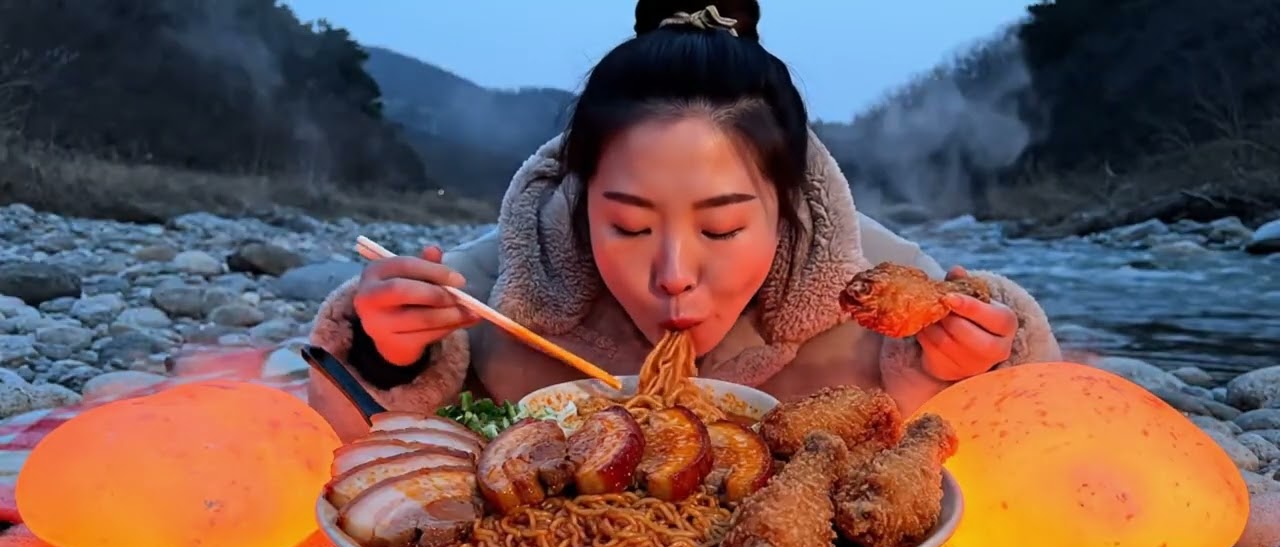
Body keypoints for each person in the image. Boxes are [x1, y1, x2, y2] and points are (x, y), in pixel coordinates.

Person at [309, 0, 1061, 441]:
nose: (673, 273)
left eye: (724, 229)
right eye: (630, 228)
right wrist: (390, 357)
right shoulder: (494, 288)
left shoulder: (876, 290)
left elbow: (1029, 442)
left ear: (789, 202)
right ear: (580, 195)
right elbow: (347, 445)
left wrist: (962, 372)